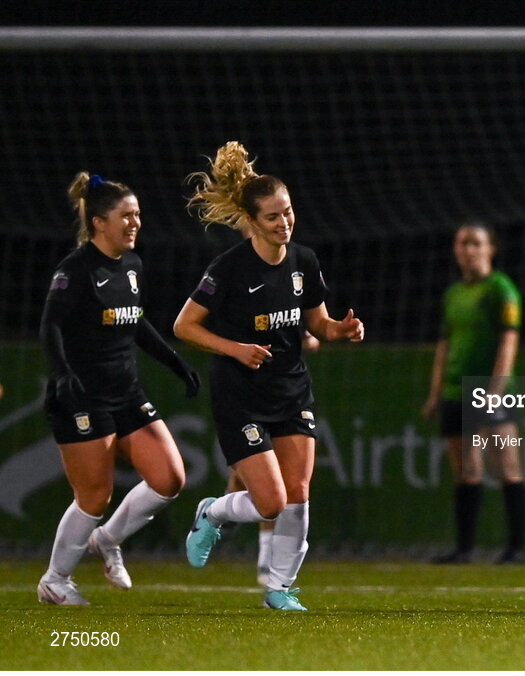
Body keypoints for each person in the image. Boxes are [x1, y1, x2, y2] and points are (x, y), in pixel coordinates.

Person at [174, 142, 364, 611]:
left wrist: (339, 328)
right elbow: (184, 327)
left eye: (288, 212)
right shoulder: (229, 268)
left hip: (291, 387)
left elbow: (317, 323)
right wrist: (235, 348)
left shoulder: (304, 261)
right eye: (273, 217)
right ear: (253, 222)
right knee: (271, 502)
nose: (284, 223)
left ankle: (279, 588)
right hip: (241, 395)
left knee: (298, 493)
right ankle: (212, 511)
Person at [37, 172, 200, 606]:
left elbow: (136, 321)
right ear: (98, 223)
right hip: (82, 397)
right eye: (126, 216)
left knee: (169, 478)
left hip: (126, 392)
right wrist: (61, 373)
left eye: (138, 215)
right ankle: (55, 581)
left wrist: (175, 362)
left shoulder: (132, 266)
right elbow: (50, 324)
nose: (135, 223)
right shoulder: (75, 270)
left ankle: (107, 540)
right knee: (94, 496)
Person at [421, 223, 525, 564]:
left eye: (475, 243)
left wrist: (496, 390)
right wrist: (435, 393)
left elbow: (509, 340)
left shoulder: (501, 289)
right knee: (466, 469)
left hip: (490, 391)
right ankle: (464, 549)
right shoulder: (453, 293)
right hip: (456, 391)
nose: (467, 250)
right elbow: (444, 344)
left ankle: (516, 550)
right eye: (462, 243)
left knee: (507, 465)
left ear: (490, 248)